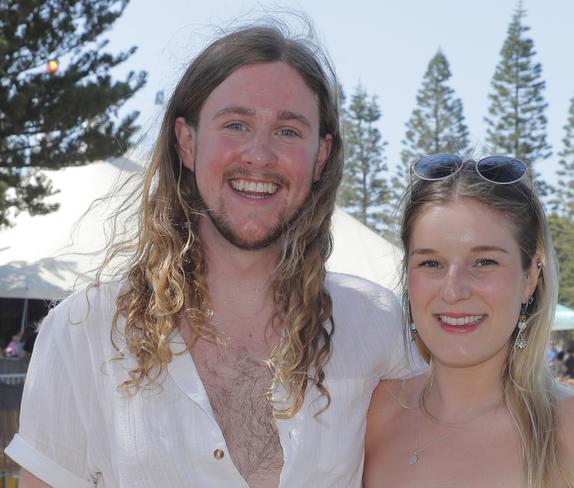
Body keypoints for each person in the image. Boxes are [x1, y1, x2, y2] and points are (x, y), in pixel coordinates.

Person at [6, 20, 416, 488]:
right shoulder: (83, 334)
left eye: (287, 130)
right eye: (236, 124)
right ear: (187, 141)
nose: (259, 155)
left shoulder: (376, 326)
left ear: (320, 156)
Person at [364, 153, 574, 487]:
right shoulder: (374, 414)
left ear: (531, 278)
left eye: (484, 262)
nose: (454, 290)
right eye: (431, 263)